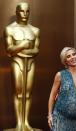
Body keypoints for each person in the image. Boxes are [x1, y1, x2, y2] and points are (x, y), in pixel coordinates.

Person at [4, 2, 40, 131]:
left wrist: (19, 50)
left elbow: (36, 50)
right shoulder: (9, 29)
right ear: (16, 12)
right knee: (19, 93)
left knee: (28, 94)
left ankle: (26, 122)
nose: (24, 14)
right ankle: (19, 123)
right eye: (21, 11)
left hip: (30, 63)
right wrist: (22, 46)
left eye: (27, 11)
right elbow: (8, 50)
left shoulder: (35, 30)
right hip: (17, 63)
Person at [48, 47, 76, 131]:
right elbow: (52, 96)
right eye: (68, 56)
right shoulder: (60, 75)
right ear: (65, 60)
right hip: (60, 119)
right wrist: (50, 115)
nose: (73, 57)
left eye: (74, 54)